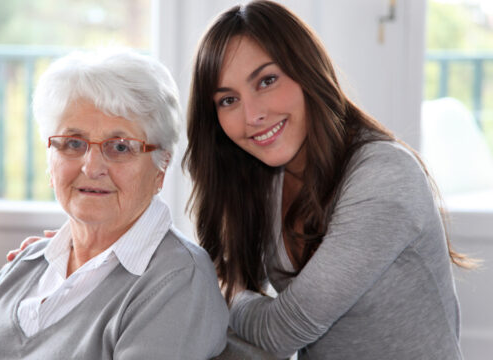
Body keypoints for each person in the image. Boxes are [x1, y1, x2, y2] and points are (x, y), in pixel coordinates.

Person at [182, 1, 474, 359]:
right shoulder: (266, 175)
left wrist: (228, 291)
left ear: (306, 71)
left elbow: (282, 331)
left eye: (267, 80)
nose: (252, 115)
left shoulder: (384, 177)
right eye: (228, 99)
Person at [0, 49, 228, 360]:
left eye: (120, 147)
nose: (91, 166)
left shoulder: (177, 282)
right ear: (50, 162)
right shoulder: (24, 265)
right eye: (73, 143)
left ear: (160, 169)